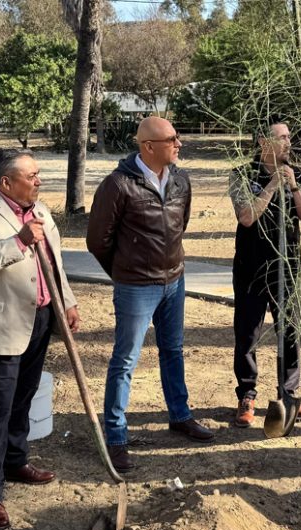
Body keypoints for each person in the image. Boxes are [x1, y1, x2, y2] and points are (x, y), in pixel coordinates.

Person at [0, 149, 81, 530]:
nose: (39, 181)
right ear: (6, 182)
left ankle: (16, 460)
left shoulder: (41, 213)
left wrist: (68, 303)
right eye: (32, 175)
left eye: (39, 174)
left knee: (23, 397)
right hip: (2, 324)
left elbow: (55, 264)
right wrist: (19, 241)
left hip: (40, 318)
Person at [86, 116, 215, 474]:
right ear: (148, 147)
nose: (179, 144)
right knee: (125, 360)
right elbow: (98, 241)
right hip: (135, 287)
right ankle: (115, 437)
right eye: (172, 139)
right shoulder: (117, 185)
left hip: (175, 281)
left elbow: (179, 226)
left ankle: (180, 415)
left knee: (172, 350)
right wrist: (125, 273)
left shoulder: (181, 179)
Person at [228, 121, 301, 434]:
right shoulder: (243, 174)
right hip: (251, 267)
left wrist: (292, 186)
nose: (288, 142)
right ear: (263, 141)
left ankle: (289, 393)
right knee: (248, 332)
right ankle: (247, 395)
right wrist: (270, 186)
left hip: (287, 266)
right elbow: (246, 217)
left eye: (289, 137)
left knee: (289, 330)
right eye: (281, 137)